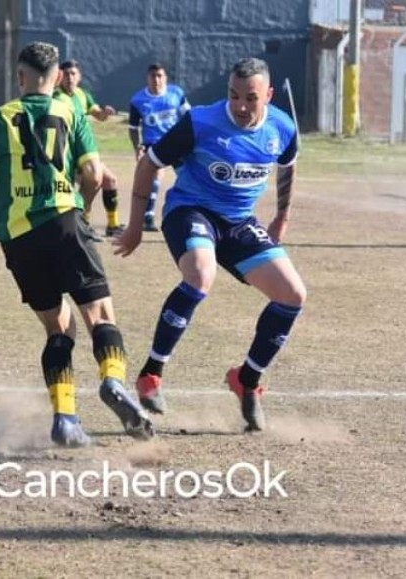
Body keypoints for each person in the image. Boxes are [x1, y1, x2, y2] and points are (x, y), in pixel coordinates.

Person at [0, 41, 154, 448]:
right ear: (56, 79)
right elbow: (94, 174)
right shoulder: (72, 111)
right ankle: (113, 382)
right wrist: (81, 210)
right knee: (99, 315)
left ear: (20, 77)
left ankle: (65, 418)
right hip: (65, 220)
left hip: (17, 237)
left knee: (57, 327)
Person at [114, 57, 306, 432]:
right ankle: (151, 375)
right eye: (234, 96)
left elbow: (288, 164)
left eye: (250, 98)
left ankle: (246, 380)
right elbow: (149, 164)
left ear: (268, 95)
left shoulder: (283, 127)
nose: (240, 105)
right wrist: (135, 227)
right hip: (190, 209)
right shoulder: (200, 122)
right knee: (201, 275)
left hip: (238, 223)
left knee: (293, 294)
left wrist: (282, 214)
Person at [54, 59, 124, 238]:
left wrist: (105, 113)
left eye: (73, 74)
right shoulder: (55, 97)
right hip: (69, 151)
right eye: (66, 74)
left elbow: (98, 115)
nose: (70, 77)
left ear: (79, 77)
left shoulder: (82, 94)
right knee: (94, 180)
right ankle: (81, 221)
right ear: (59, 76)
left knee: (110, 181)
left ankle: (112, 225)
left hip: (84, 149)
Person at [128, 63, 190, 232]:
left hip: (176, 141)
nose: (156, 79)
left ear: (165, 78)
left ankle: (190, 211)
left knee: (188, 176)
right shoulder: (138, 100)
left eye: (159, 76)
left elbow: (188, 117)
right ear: (147, 78)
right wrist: (137, 147)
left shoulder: (176, 94)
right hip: (153, 143)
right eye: (152, 76)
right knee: (155, 174)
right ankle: (148, 216)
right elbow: (133, 128)